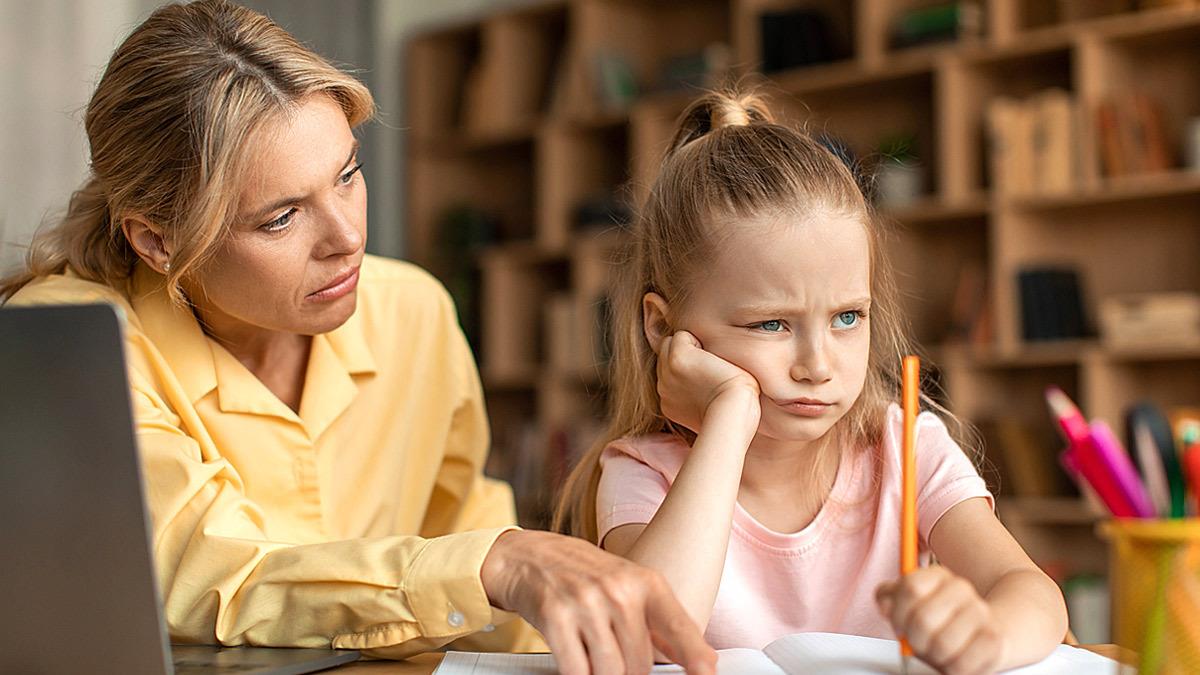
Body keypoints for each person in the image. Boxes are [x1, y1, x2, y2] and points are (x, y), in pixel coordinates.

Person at [0, 2, 717, 674]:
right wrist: (490, 563)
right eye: (281, 218)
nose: (347, 239)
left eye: (348, 175)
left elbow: (473, 548)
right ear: (157, 239)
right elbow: (213, 571)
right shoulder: (67, 342)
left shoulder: (413, 312)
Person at [553, 90, 1069, 675]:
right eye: (770, 323)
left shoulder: (905, 448)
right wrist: (728, 416)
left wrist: (990, 634)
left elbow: (1030, 591)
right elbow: (650, 638)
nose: (817, 365)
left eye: (848, 317)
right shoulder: (642, 472)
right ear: (664, 327)